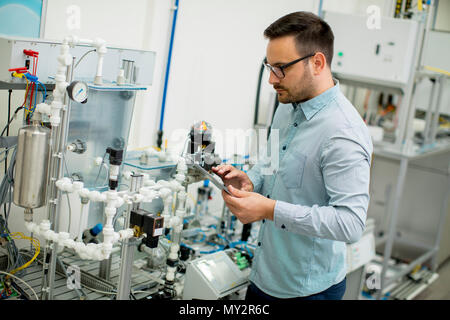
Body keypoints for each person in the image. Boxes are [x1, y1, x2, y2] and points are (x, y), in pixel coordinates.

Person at [212, 11, 373, 300]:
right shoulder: (288, 106)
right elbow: (270, 163)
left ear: (317, 63)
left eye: (281, 68)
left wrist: (269, 210)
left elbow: (351, 223)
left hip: (307, 290)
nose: (272, 79)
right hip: (264, 276)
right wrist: (251, 182)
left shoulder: (343, 133)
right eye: (269, 66)